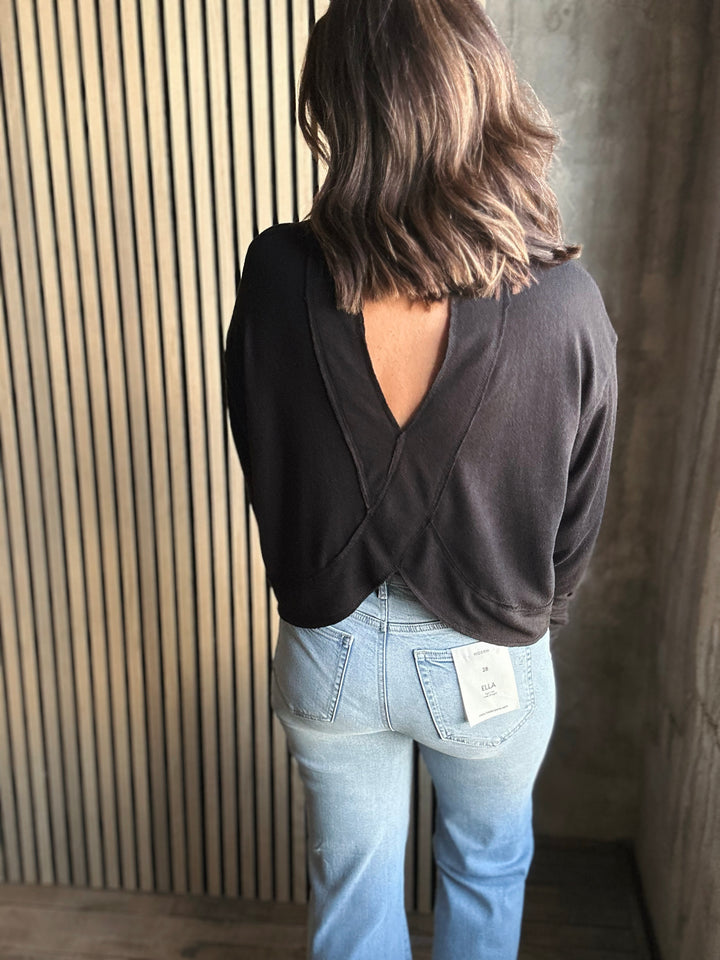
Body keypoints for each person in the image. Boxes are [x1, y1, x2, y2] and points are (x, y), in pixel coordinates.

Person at [222, 2, 618, 958]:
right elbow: (581, 510)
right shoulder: (562, 305)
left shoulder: (278, 275)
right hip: (492, 653)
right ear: (481, 96)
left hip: (330, 653)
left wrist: (317, 585)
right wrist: (524, 613)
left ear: (342, 115)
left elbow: (262, 454)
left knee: (351, 899)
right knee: (483, 879)